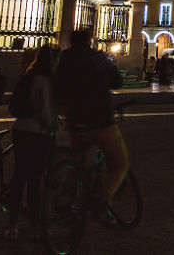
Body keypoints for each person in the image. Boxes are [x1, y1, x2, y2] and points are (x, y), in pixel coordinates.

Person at [54, 30, 128, 221]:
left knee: (79, 161)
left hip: (76, 120)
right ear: (90, 41)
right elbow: (117, 82)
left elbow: (59, 86)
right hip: (101, 120)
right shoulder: (99, 57)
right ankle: (103, 201)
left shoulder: (66, 58)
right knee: (121, 163)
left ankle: (66, 195)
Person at [5, 47, 57, 239]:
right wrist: (53, 126)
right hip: (37, 133)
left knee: (19, 177)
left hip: (19, 130)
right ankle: (35, 225)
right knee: (34, 180)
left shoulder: (27, 75)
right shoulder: (45, 80)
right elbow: (44, 110)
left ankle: (12, 225)